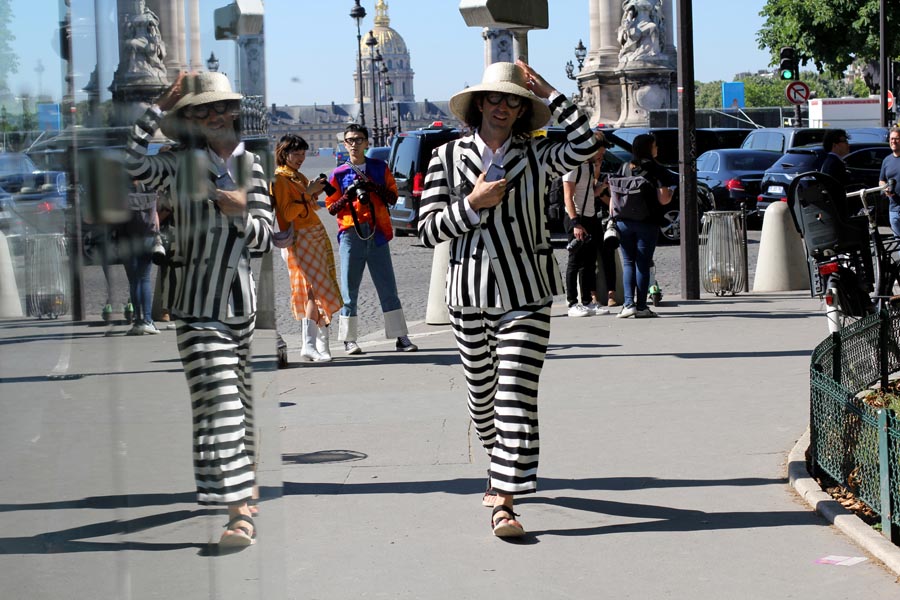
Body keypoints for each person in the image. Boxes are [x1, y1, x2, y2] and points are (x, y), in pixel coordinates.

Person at [419, 60, 600, 537]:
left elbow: (585, 142)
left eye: (513, 100)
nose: (502, 106)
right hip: (468, 293)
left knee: (516, 394)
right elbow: (427, 229)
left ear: (522, 109)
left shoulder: (538, 154)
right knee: (484, 400)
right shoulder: (445, 157)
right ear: (479, 104)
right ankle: (497, 465)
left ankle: (505, 499)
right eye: (495, 98)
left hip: (528, 291)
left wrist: (553, 93)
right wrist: (472, 203)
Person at [125, 71, 273, 549]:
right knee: (222, 401)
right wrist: (153, 110)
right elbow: (129, 165)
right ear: (187, 119)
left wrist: (241, 214)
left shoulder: (254, 165)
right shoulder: (174, 164)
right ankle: (237, 515)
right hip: (193, 305)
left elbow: (267, 237)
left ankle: (238, 489)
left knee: (235, 404)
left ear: (232, 111)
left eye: (216, 107)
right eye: (197, 110)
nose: (210, 116)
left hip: (241, 307)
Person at [325, 124, 417, 355]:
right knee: (349, 290)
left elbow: (393, 197)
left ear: (367, 143)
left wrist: (372, 187)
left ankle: (400, 336)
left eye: (358, 139)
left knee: (388, 287)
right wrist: (348, 195)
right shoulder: (338, 174)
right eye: (349, 140)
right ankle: (348, 339)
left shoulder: (379, 167)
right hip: (350, 234)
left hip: (377, 232)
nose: (354, 144)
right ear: (344, 144)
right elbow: (331, 208)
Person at [271, 134, 342, 362]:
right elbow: (287, 212)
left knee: (320, 288)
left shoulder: (296, 176)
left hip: (313, 235)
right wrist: (308, 193)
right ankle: (309, 345)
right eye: (296, 153)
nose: (301, 158)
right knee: (312, 289)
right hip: (300, 238)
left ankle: (321, 344)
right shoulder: (280, 179)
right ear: (284, 153)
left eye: (303, 153)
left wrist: (313, 192)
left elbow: (310, 207)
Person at [612, 132, 676, 318]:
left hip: (623, 220)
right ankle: (641, 307)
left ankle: (628, 304)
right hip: (647, 222)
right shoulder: (657, 169)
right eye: (655, 146)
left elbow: (614, 196)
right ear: (649, 148)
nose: (658, 148)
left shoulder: (624, 167)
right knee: (642, 263)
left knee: (628, 262)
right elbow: (664, 200)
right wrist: (670, 193)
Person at [563, 129, 613, 317]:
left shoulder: (590, 165)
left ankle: (587, 301)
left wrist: (600, 186)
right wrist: (575, 222)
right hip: (575, 216)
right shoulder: (572, 166)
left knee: (589, 262)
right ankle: (572, 303)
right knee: (575, 260)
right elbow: (568, 197)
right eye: (601, 149)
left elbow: (590, 190)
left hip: (590, 216)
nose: (603, 153)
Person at [122, 181, 161, 335]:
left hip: (125, 236)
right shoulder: (150, 184)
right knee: (144, 279)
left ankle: (138, 322)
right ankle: (148, 321)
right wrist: (157, 234)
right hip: (147, 234)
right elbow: (155, 213)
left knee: (134, 280)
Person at [880, 126, 900, 237]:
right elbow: (881, 180)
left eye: (896, 138)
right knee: (897, 242)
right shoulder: (887, 160)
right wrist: (885, 188)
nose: (893, 141)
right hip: (894, 209)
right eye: (891, 139)